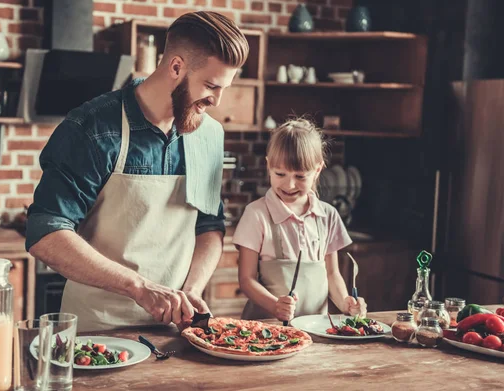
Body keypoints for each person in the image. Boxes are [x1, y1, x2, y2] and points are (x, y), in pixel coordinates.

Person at [25, 11, 250, 331]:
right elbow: (45, 233)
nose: (217, 100)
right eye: (211, 86)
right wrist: (139, 288)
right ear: (176, 67)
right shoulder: (94, 128)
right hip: (96, 332)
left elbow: (209, 226)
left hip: (173, 332)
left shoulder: (209, 136)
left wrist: (192, 290)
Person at [233, 118, 367, 322]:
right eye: (280, 174)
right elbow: (246, 280)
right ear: (268, 165)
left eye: (301, 176)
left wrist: (346, 303)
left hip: (315, 329)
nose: (289, 184)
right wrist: (275, 306)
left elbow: (332, 274)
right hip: (266, 329)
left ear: (318, 170)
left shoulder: (328, 216)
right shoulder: (256, 214)